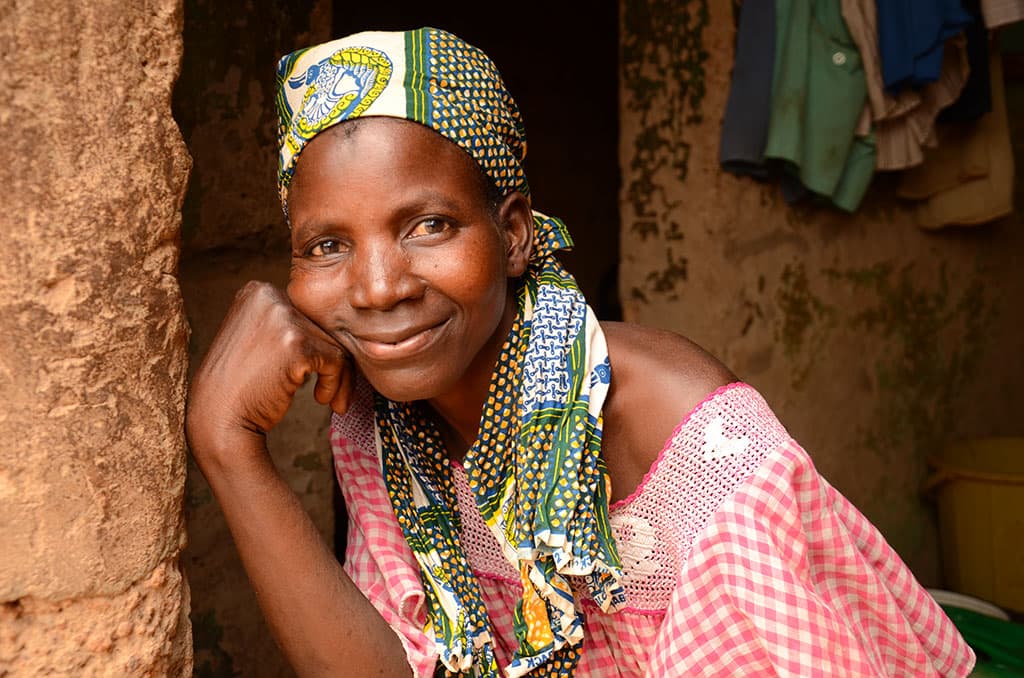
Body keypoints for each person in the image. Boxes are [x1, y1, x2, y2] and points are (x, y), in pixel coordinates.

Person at [185, 27, 976, 677]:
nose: (380, 287)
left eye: (429, 225)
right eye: (327, 245)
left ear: (515, 233)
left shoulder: (683, 447)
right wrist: (227, 447)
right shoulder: (380, 423)